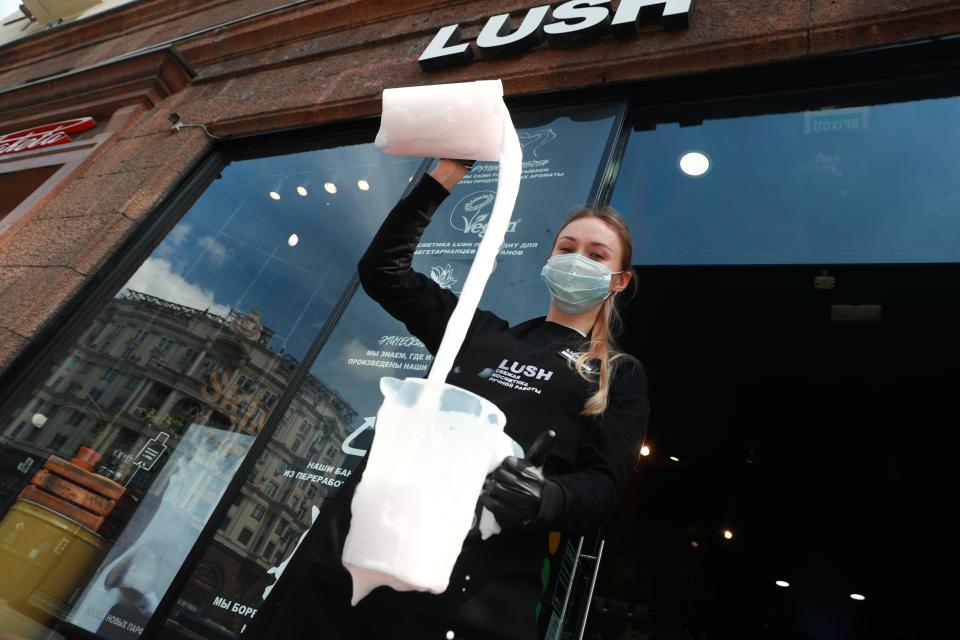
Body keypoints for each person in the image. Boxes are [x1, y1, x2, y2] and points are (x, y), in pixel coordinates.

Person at [249, 159, 649, 640]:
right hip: (356, 560)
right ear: (548, 260)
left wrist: (547, 498)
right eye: (567, 247)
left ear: (619, 280)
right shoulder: (477, 333)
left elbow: (604, 487)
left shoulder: (617, 375)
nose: (577, 260)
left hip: (469, 596)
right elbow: (384, 272)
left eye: (596, 255)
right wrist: (442, 179)